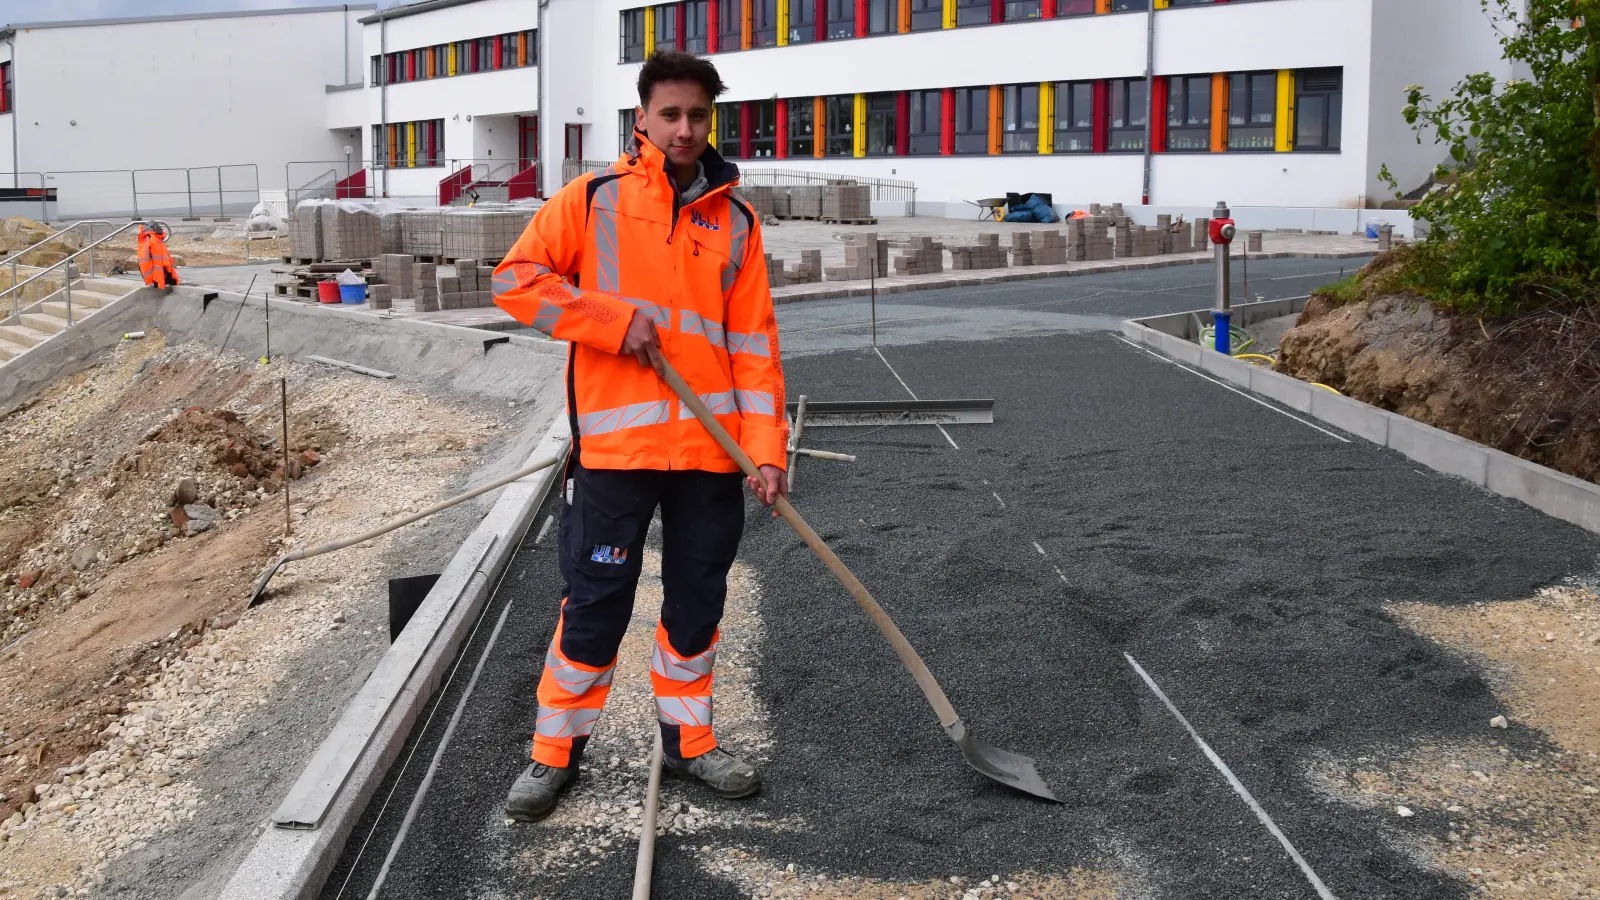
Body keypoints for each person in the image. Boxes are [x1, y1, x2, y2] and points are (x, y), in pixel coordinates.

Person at [490, 50, 788, 823]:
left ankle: (689, 744)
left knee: (696, 604)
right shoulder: (594, 201)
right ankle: (554, 754)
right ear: (643, 119)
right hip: (617, 458)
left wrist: (764, 451)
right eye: (670, 114)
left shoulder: (737, 222)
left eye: (697, 115)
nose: (684, 128)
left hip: (710, 457)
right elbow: (517, 280)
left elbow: (755, 349)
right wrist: (612, 321)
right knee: (593, 606)